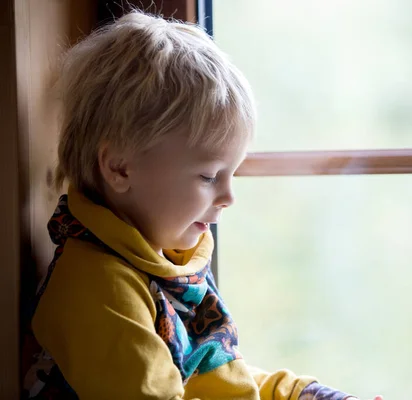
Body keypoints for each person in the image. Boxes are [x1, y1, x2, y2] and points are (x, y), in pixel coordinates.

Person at [22, 11, 383, 400]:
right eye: (209, 176)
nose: (229, 197)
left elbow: (219, 384)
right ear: (119, 167)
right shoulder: (99, 288)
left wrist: (304, 394)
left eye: (232, 174)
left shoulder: (162, 262)